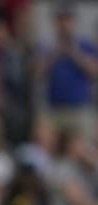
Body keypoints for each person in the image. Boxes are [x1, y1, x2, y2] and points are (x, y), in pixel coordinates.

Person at [35, 2, 98, 141]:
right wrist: (56, 53)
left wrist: (74, 54)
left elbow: (94, 71)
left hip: (79, 108)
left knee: (83, 148)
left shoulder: (84, 45)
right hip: (54, 108)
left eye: (67, 19)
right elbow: (37, 71)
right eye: (60, 19)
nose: (63, 24)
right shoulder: (46, 45)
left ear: (73, 22)